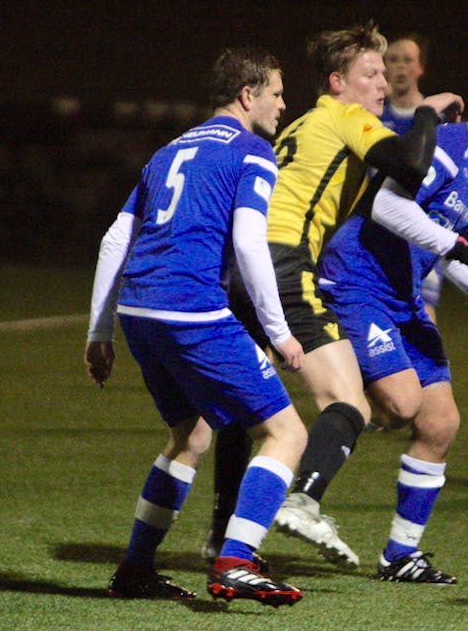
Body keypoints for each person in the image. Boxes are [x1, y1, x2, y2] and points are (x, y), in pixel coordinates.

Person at [202, 22, 463, 570]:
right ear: (336, 81)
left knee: (241, 408)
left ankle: (221, 530)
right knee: (348, 401)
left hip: (245, 263)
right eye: (370, 75)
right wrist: (427, 112)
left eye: (384, 75)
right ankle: (303, 500)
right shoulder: (346, 116)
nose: (383, 86)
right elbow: (412, 165)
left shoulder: (299, 123)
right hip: (284, 261)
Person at [85, 47, 308, 607]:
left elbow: (116, 238)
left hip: (140, 313)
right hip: (193, 312)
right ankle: (235, 559)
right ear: (247, 95)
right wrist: (278, 330)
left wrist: (100, 331)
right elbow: (250, 241)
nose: (284, 104)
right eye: (277, 93)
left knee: (192, 435)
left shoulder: (167, 151)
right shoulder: (253, 150)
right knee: (286, 433)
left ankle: (136, 569)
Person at [317, 72, 468, 583]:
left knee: (440, 423)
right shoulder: (446, 144)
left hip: (401, 297)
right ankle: (301, 471)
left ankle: (400, 556)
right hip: (359, 279)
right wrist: (460, 248)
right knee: (400, 404)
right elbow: (387, 205)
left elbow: (457, 254)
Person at [379, 32, 445, 322]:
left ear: (421, 68)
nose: (400, 68)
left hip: (421, 227)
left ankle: (430, 369)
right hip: (378, 227)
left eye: (408, 60)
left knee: (423, 315)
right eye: (393, 60)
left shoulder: (436, 115)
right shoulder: (373, 115)